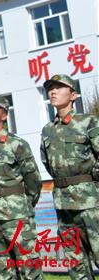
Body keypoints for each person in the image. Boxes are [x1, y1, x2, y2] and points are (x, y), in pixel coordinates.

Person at [0, 94, 42, 280]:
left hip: (17, 215)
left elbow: (34, 179)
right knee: (2, 271)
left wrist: (24, 205)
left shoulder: (17, 144)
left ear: (4, 115)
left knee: (29, 268)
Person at [39, 74, 99, 280]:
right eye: (50, 88)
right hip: (63, 204)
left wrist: (90, 179)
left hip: (91, 203)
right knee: (76, 264)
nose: (53, 92)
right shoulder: (47, 130)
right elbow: (48, 164)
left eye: (59, 87)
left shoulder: (88, 122)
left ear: (73, 95)